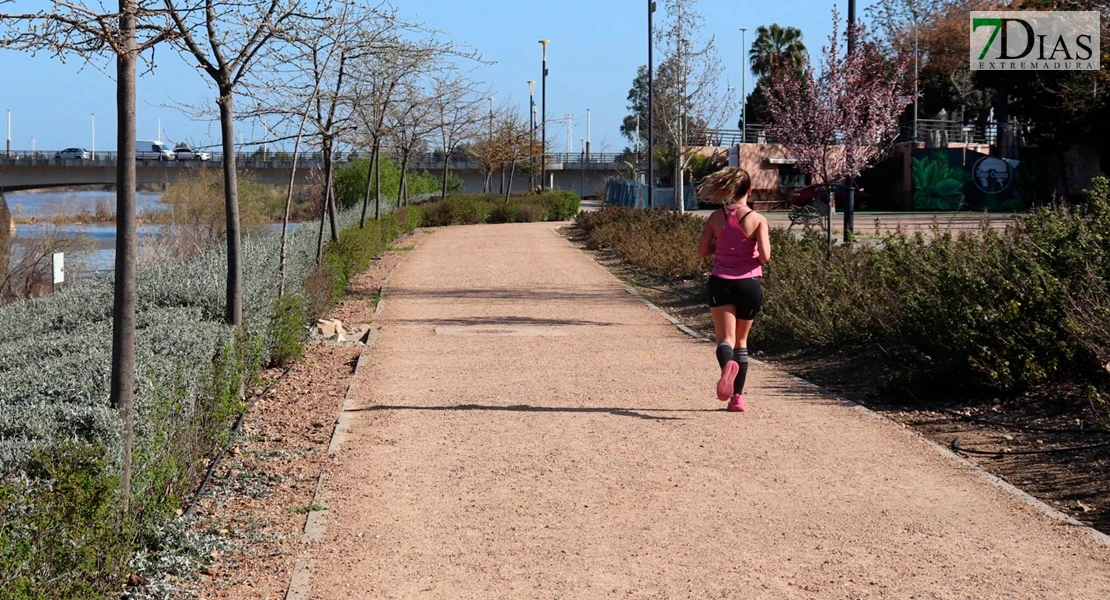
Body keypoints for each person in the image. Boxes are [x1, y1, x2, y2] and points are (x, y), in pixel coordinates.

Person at [695, 167, 771, 412]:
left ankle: (728, 365)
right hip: (749, 285)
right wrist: (749, 254)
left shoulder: (715, 218)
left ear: (727, 190)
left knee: (724, 340)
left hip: (721, 283)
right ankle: (737, 398)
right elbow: (765, 256)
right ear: (749, 190)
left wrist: (723, 247)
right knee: (742, 342)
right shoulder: (758, 219)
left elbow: (702, 251)